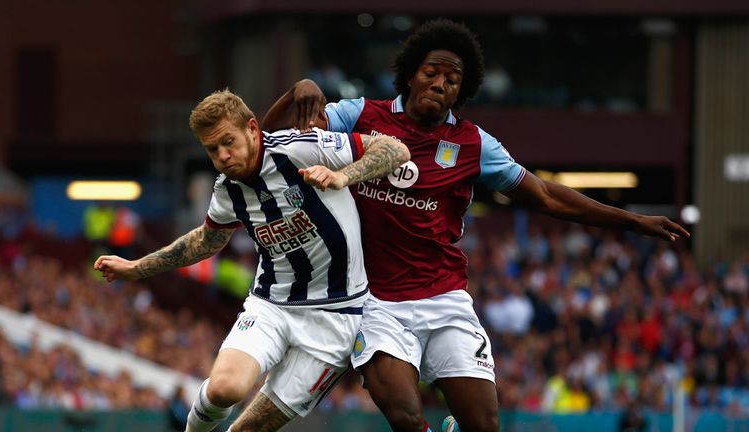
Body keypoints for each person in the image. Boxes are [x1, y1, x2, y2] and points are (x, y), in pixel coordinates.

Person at [262, 19, 689, 432]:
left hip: (444, 298)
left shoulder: (473, 144)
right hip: (374, 304)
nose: (440, 84)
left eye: (452, 80)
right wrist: (297, 92)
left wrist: (632, 221)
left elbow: (543, 195)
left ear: (460, 92)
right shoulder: (360, 116)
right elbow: (269, 142)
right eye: (431, 72)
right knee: (406, 419)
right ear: (410, 75)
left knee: (483, 424)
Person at [94, 89, 409, 432]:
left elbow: (396, 149)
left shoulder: (301, 148)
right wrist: (135, 268)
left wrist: (342, 176)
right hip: (271, 305)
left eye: (228, 141)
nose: (223, 156)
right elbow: (204, 241)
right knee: (223, 388)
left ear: (253, 128)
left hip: (336, 316)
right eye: (212, 149)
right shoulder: (228, 190)